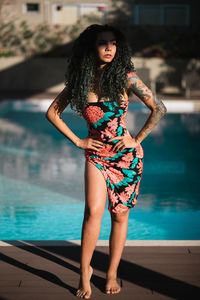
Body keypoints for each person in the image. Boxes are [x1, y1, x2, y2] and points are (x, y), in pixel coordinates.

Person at [46, 24, 167, 299]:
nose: (110, 48)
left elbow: (158, 107)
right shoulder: (81, 81)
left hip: (126, 157)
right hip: (97, 155)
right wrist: (78, 141)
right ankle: (84, 272)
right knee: (92, 211)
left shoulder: (126, 77)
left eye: (113, 43)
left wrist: (137, 139)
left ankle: (111, 272)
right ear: (91, 47)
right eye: (103, 43)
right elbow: (52, 113)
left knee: (119, 215)